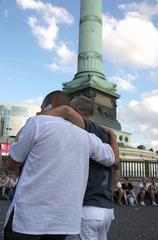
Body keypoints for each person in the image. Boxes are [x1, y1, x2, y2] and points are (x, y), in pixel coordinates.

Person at [4, 91, 115, 240]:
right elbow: (111, 158)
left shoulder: (37, 122)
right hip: (64, 222)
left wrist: (22, 132)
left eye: (42, 106)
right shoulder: (86, 136)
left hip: (29, 219)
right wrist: (112, 136)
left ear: (51, 104)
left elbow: (11, 163)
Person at [41, 95, 120, 240]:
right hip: (107, 209)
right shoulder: (107, 137)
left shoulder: (86, 127)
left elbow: (66, 112)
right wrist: (113, 135)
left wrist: (41, 116)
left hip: (86, 209)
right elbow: (116, 166)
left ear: (77, 111)